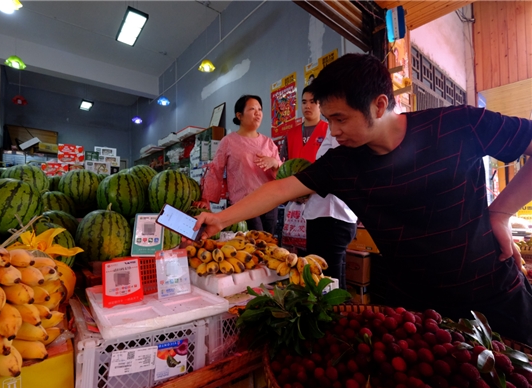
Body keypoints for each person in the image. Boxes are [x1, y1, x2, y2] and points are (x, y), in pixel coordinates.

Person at [194, 53, 532, 345]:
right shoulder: (345, 162)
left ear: (379, 104)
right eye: (329, 120)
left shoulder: (457, 125)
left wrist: (500, 212)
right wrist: (221, 219)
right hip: (416, 309)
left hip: (491, 295)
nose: (334, 131)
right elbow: (281, 188)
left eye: (341, 119)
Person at [281, 86, 358, 289]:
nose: (309, 106)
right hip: (319, 214)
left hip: (332, 216)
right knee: (325, 274)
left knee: (325, 278)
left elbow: (331, 176)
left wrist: (301, 189)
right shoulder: (318, 133)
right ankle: (332, 313)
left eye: (314, 102)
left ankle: (331, 315)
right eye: (304, 102)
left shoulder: (339, 133)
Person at [197, 94, 282, 234]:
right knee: (252, 245)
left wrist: (275, 163)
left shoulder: (269, 143)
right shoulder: (228, 141)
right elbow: (215, 171)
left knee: (270, 245)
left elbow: (281, 175)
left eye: (260, 109)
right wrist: (205, 199)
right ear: (239, 115)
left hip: (269, 203)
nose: (258, 113)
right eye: (252, 109)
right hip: (243, 204)